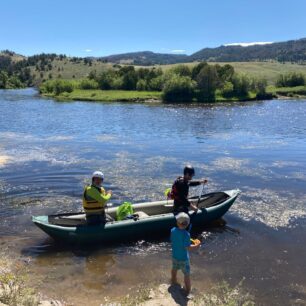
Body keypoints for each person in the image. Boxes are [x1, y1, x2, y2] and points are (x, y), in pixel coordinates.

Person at [170, 212, 201, 296]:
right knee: (186, 275)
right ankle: (188, 291)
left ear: (177, 222)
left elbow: (175, 240)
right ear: (187, 224)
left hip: (175, 256)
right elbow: (188, 247)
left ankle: (173, 281)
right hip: (184, 259)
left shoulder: (172, 230)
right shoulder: (187, 234)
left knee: (174, 269)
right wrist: (196, 245)